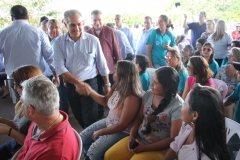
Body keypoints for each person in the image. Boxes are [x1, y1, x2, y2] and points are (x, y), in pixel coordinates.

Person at [104, 66, 183, 160]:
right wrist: (132, 136)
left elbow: (173, 138)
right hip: (139, 138)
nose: (151, 84)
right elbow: (138, 118)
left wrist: (146, 148)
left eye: (155, 83)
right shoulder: (149, 94)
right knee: (109, 156)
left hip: (159, 148)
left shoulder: (178, 106)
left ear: (167, 88)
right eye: (152, 80)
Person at [54, 9, 110, 128]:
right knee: (78, 117)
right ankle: (90, 139)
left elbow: (102, 64)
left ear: (82, 22)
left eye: (79, 24)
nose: (77, 28)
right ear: (65, 24)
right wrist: (76, 83)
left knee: (90, 119)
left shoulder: (92, 40)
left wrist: (107, 84)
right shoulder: (59, 42)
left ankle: (92, 144)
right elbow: (59, 67)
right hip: (71, 85)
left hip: (90, 83)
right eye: (72, 25)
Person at [80, 60, 142, 160]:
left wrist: (101, 132)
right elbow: (105, 101)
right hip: (111, 121)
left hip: (123, 130)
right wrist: (90, 91)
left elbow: (122, 125)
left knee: (93, 151)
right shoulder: (117, 86)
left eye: (116, 70)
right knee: (82, 137)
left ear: (123, 74)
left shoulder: (132, 97)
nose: (113, 72)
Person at [0, 5, 59, 102]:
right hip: (35, 76)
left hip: (14, 77)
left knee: (20, 107)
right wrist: (55, 74)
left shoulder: (2, 33)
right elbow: (49, 55)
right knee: (39, 105)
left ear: (12, 17)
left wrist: (3, 66)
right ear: (28, 17)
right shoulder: (38, 32)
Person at [11, 75, 79, 159]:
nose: (21, 106)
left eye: (22, 102)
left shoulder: (56, 154)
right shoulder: (40, 120)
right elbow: (26, 147)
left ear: (30, 110)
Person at [163, 84, 230, 160]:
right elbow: (176, 145)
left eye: (185, 103)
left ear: (194, 115)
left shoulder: (204, 156)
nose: (181, 106)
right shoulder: (188, 125)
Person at [0, 65, 42, 159]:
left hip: (25, 148)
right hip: (15, 143)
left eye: (17, 84)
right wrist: (2, 120)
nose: (14, 88)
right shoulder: (21, 103)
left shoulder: (39, 110)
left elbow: (33, 145)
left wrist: (8, 130)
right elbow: (18, 125)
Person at [87, 10, 121, 119]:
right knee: (97, 93)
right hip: (94, 71)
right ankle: (99, 113)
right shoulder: (87, 34)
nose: (97, 22)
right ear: (91, 20)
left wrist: (119, 67)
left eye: (99, 20)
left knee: (112, 92)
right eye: (95, 20)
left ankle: (114, 113)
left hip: (110, 69)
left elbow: (116, 50)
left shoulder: (110, 31)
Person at [46, 19, 69, 114]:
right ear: (47, 29)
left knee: (61, 96)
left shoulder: (63, 40)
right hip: (47, 73)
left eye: (56, 27)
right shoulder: (45, 40)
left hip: (59, 73)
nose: (54, 30)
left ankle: (63, 115)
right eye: (51, 27)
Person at [216, 48, 240, 119]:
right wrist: (220, 105)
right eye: (238, 69)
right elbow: (231, 98)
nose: (238, 72)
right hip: (236, 126)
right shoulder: (239, 86)